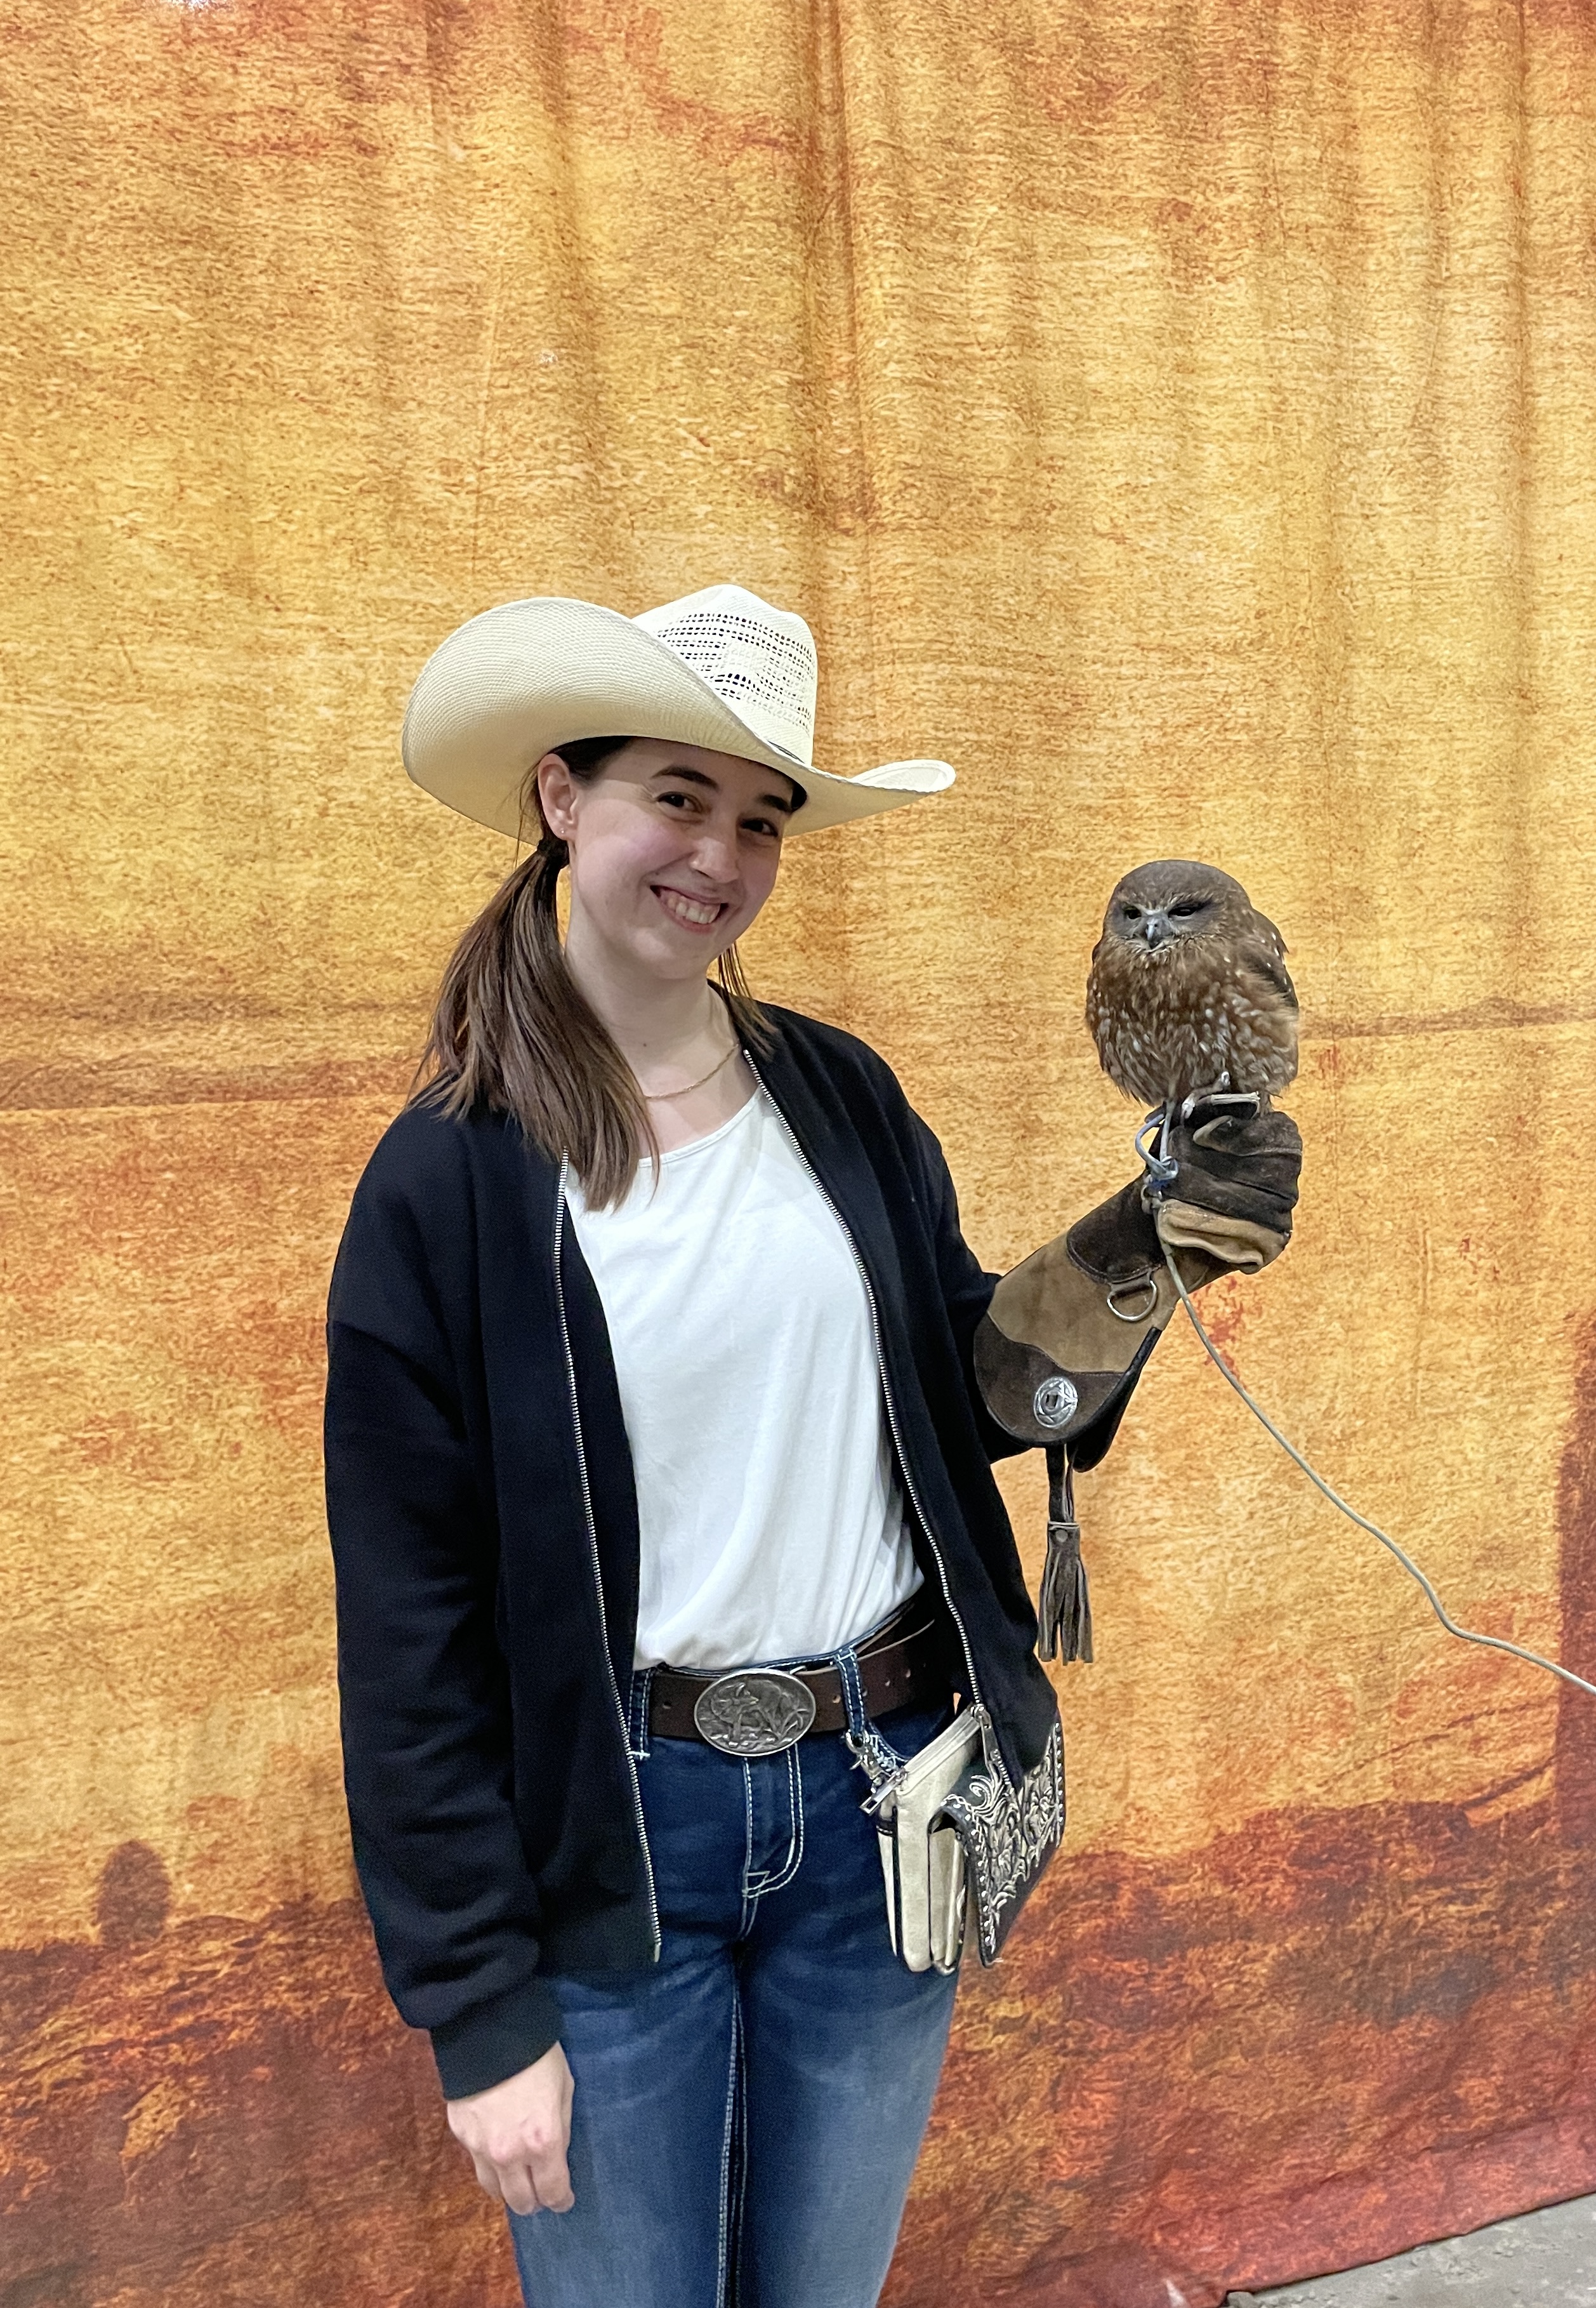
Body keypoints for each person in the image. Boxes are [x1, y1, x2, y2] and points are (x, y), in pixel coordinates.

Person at [324, 584, 1302, 2308]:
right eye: (675, 797)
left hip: (876, 1810)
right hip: (617, 1839)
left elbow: (965, 1397)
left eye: (761, 816)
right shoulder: (446, 1181)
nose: (719, 854)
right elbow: (411, 1630)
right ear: (560, 798)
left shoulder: (837, 1096)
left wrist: (1146, 1247)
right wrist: (479, 2012)